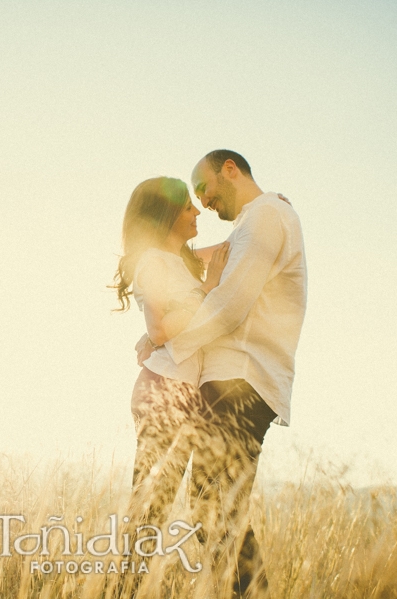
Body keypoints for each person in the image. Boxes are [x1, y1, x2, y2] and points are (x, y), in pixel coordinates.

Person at [139, 150, 308, 598]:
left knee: (214, 512)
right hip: (232, 382)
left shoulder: (266, 216)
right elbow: (190, 266)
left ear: (229, 169)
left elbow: (229, 306)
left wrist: (166, 339)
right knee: (212, 512)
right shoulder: (257, 220)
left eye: (205, 189)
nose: (204, 202)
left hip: (241, 381)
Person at [112, 176, 231, 558]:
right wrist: (208, 290)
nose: (197, 212)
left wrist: (268, 208)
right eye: (187, 208)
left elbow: (235, 248)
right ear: (166, 215)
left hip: (180, 391)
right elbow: (159, 329)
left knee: (154, 510)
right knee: (149, 510)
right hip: (164, 390)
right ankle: (124, 588)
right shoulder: (153, 262)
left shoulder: (180, 260)